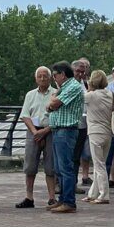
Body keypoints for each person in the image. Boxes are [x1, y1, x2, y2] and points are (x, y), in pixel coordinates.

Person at [45, 61, 84, 214]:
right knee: (59, 168)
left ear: (62, 74)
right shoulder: (64, 88)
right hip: (58, 130)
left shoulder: (73, 86)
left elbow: (54, 103)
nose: (53, 78)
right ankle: (62, 199)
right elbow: (50, 106)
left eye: (55, 75)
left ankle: (69, 201)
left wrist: (53, 99)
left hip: (66, 131)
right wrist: (53, 101)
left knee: (66, 167)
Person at [16, 66, 57, 209]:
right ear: (35, 78)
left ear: (50, 78)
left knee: (51, 166)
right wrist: (35, 132)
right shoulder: (30, 95)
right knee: (30, 166)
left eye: (45, 76)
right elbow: (25, 115)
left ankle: (52, 197)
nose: (42, 78)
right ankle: (29, 197)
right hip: (33, 130)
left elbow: (58, 116)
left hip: (50, 130)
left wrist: (45, 131)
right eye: (39, 76)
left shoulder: (56, 93)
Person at [83, 70, 114, 204]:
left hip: (95, 132)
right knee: (100, 163)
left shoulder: (90, 96)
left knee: (98, 165)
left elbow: (78, 99)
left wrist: (89, 88)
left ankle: (104, 194)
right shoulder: (110, 94)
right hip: (108, 132)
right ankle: (93, 193)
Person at [71, 58, 91, 192]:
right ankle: (61, 183)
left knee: (77, 156)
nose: (80, 74)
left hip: (83, 124)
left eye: (83, 72)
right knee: (68, 156)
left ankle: (73, 183)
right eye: (77, 71)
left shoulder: (86, 84)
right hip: (70, 125)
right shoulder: (67, 84)